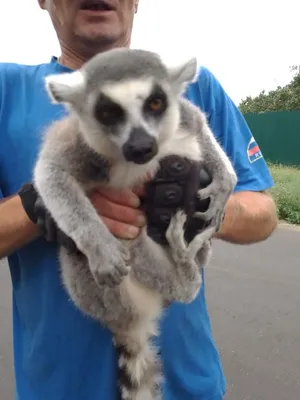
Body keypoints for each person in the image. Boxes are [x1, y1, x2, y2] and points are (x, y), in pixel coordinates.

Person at [0, 1, 278, 399]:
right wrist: (40, 206)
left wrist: (201, 210)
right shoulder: (6, 90)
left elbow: (264, 214)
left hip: (190, 385)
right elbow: (53, 180)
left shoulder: (193, 88)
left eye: (153, 108)